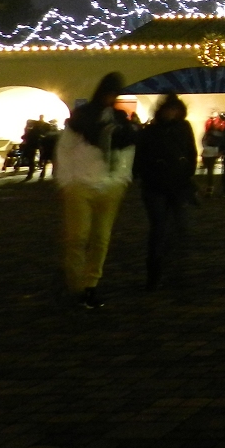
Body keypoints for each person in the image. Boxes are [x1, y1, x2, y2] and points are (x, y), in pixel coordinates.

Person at [56, 73, 138, 309]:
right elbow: (65, 149)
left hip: (110, 185)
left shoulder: (120, 120)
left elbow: (127, 150)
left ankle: (91, 284)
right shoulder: (81, 119)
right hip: (80, 184)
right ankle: (76, 285)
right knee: (77, 237)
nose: (111, 97)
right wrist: (67, 181)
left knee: (101, 239)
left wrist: (122, 178)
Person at [133, 92, 197, 291]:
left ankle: (174, 269)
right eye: (169, 110)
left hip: (178, 184)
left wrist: (187, 173)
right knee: (159, 228)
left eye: (175, 110)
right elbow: (140, 157)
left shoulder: (183, 129)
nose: (172, 113)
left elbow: (191, 152)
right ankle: (155, 272)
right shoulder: (150, 131)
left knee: (179, 229)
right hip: (156, 186)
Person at [200, 116, 224, 196]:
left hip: (206, 152)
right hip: (214, 152)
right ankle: (210, 187)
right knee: (210, 170)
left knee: (206, 169)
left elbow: (203, 141)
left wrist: (205, 147)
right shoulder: (220, 134)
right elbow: (221, 143)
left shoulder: (208, 133)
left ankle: (204, 186)